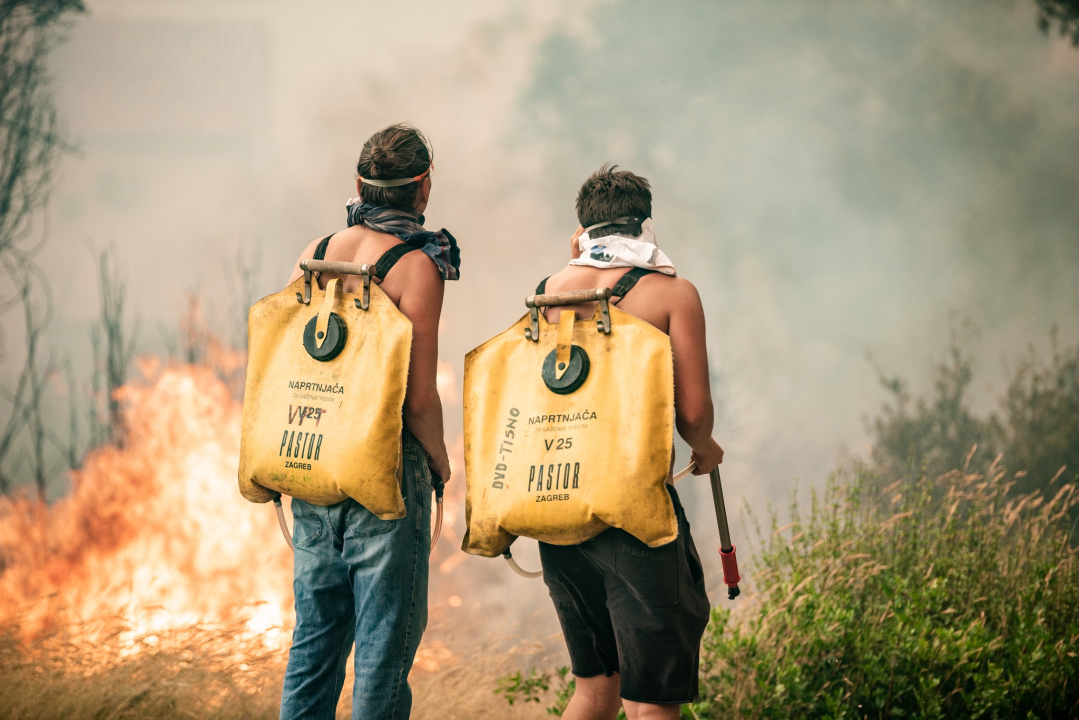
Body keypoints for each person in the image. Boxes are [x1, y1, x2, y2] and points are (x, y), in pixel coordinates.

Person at [279, 124, 458, 720]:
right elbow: (418, 398)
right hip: (384, 473)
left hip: (312, 462)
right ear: (423, 187)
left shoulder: (315, 250)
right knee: (383, 647)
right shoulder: (417, 267)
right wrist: (439, 462)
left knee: (315, 643)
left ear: (359, 186)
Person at [535, 165, 723, 720]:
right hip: (635, 516)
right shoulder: (673, 294)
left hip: (560, 507)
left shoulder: (547, 292)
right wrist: (706, 448)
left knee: (595, 691)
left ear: (583, 229)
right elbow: (693, 415)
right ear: (644, 223)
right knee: (652, 701)